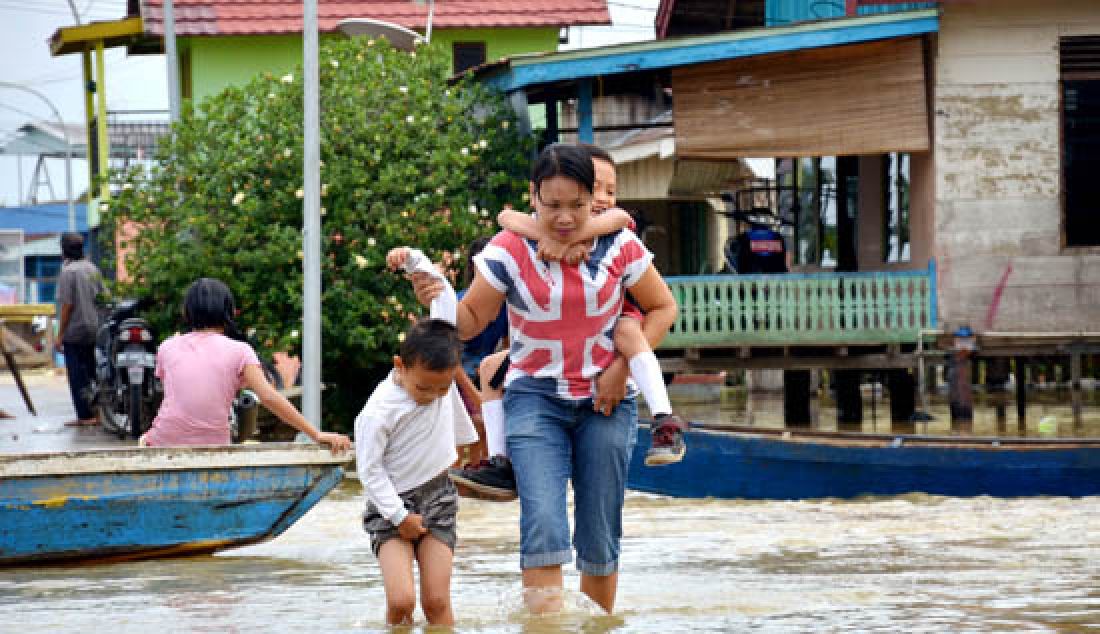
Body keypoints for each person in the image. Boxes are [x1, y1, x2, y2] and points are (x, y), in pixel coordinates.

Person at [408, 143, 678, 614]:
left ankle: (597, 624)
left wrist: (620, 368)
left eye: (576, 205)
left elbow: (662, 306)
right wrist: (438, 295)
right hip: (534, 398)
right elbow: (470, 320)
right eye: (552, 205)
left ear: (592, 198)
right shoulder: (509, 250)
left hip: (606, 402)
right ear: (534, 197)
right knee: (544, 523)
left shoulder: (621, 246)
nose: (565, 217)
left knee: (599, 527)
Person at [449, 144, 687, 501]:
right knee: (491, 367)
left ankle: (664, 418)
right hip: (547, 371)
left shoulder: (615, 232)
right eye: (597, 189)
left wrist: (569, 239)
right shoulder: (535, 233)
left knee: (626, 332)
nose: (604, 199)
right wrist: (548, 236)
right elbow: (508, 218)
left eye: (609, 190)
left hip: (620, 316)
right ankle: (501, 461)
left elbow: (617, 221)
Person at [356, 246, 479, 626]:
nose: (434, 398)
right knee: (401, 602)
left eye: (443, 390)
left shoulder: (439, 380)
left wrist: (412, 260)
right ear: (400, 365)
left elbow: (441, 295)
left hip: (439, 495)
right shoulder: (378, 411)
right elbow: (369, 471)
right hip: (390, 505)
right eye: (425, 389)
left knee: (438, 603)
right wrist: (398, 515)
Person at [140, 278, 350, 451]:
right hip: (214, 447)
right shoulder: (240, 351)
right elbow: (268, 396)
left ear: (186, 313)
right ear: (228, 313)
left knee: (146, 439)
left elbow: (176, 398)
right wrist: (316, 434)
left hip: (163, 442)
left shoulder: (167, 347)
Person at [56, 232, 105, 427]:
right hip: (94, 328)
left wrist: (60, 335)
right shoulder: (92, 269)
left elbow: (67, 306)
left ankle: (84, 416)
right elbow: (103, 298)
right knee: (92, 371)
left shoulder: (68, 273)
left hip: (75, 331)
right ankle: (98, 413)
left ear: (64, 250)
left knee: (77, 375)